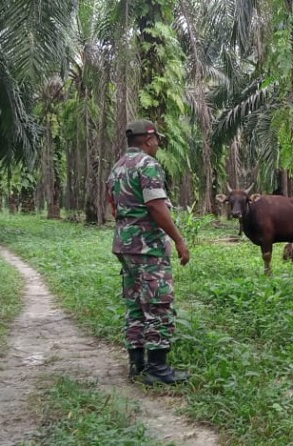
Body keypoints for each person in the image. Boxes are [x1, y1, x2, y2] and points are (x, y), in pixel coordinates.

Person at [106, 119, 192, 385]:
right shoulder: (148, 165)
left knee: (135, 305)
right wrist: (179, 240)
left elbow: (113, 206)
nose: (158, 145)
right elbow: (156, 206)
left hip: (124, 245)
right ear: (149, 140)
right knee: (157, 304)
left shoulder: (117, 168)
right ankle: (158, 369)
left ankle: (137, 364)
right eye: (157, 141)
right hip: (148, 248)